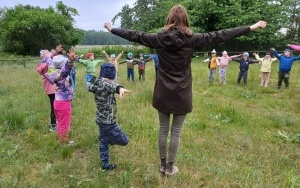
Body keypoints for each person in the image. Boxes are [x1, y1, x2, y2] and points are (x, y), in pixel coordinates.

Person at [104, 4, 266, 176]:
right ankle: (170, 167)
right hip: (182, 92)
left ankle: (162, 165)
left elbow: (135, 35)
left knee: (163, 129)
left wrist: (112, 29)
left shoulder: (159, 37)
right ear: (185, 19)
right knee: (175, 132)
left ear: (169, 19)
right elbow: (222, 34)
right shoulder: (193, 38)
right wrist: (251, 27)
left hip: (163, 92)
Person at [87, 63, 131, 170]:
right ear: (111, 75)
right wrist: (120, 89)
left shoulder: (98, 82)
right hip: (108, 122)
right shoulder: (105, 84)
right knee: (124, 140)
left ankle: (105, 164)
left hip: (101, 120)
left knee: (103, 142)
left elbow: (94, 84)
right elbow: (112, 86)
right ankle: (110, 138)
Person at [44, 48, 77, 145]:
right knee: (64, 125)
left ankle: (62, 140)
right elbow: (66, 68)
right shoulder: (61, 74)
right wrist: (70, 60)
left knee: (60, 123)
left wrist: (48, 57)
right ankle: (64, 144)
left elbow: (50, 63)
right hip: (64, 104)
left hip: (57, 102)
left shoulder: (53, 71)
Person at [36, 49, 57, 131]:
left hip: (55, 87)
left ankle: (55, 123)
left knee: (56, 105)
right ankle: (53, 124)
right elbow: (39, 70)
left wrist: (54, 53)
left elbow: (54, 57)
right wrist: (47, 59)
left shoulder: (51, 60)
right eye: (47, 53)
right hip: (51, 88)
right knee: (53, 106)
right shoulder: (43, 64)